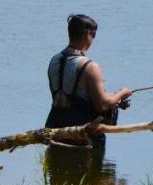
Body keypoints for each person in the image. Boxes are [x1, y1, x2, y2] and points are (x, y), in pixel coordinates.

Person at [45, 13, 133, 143]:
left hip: (54, 129)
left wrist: (114, 101)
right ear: (87, 34)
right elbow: (102, 105)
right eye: (94, 35)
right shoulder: (90, 66)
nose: (93, 39)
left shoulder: (54, 60)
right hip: (82, 136)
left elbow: (72, 97)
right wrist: (122, 93)